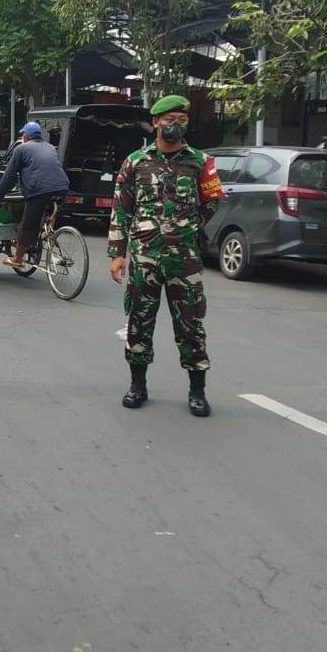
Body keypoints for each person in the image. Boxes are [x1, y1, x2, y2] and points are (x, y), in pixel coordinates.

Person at [107, 95, 223, 417]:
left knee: (191, 326)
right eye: (169, 119)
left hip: (184, 260)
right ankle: (137, 385)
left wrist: (187, 225)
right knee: (139, 322)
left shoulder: (200, 161)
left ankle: (197, 392)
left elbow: (213, 200)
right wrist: (117, 254)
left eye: (182, 120)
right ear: (156, 122)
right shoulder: (135, 161)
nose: (176, 125)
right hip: (145, 258)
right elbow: (121, 209)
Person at [0, 122, 70, 267]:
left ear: (27, 136)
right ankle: (48, 234)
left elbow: (9, 176)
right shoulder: (50, 147)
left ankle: (17, 259)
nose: (22, 137)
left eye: (23, 135)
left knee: (27, 226)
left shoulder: (22, 149)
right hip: (62, 188)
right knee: (46, 214)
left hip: (39, 191)